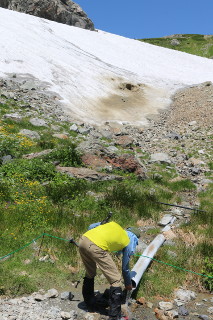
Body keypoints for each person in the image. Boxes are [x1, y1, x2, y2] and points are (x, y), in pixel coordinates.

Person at [79, 221, 140, 320]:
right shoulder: (128, 240)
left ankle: (90, 306)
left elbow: (91, 226)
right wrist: (128, 284)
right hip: (95, 246)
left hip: (83, 240)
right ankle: (114, 316)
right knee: (116, 280)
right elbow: (125, 268)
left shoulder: (115, 226)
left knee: (90, 273)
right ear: (134, 238)